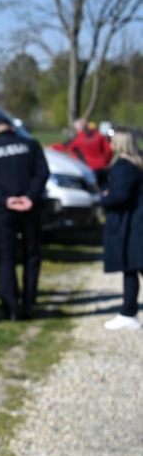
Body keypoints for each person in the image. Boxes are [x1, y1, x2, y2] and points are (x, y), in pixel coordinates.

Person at [0, 117, 50, 320]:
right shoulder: (30, 144)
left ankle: (10, 309)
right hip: (29, 209)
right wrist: (29, 197)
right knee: (31, 256)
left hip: (3, 211)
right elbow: (42, 173)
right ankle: (29, 304)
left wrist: (5, 200)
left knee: (6, 258)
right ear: (11, 128)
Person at [99, 129, 143, 330]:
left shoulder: (125, 166)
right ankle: (127, 311)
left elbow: (119, 196)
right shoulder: (136, 163)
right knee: (131, 268)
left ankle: (128, 313)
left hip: (133, 224)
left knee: (132, 266)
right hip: (136, 222)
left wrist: (104, 197)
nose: (109, 144)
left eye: (112, 141)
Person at [53, 118, 112, 185]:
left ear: (78, 128)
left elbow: (62, 147)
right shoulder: (99, 135)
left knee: (93, 189)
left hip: (89, 169)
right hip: (103, 167)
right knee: (105, 187)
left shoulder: (77, 139)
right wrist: (107, 161)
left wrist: (48, 147)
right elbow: (108, 150)